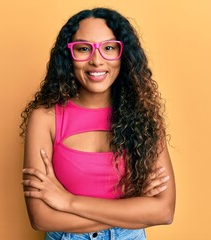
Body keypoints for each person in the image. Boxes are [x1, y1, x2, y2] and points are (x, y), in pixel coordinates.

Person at [20, 8, 176, 240]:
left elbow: (163, 211)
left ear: (123, 56)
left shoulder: (144, 118)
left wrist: (68, 201)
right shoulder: (45, 118)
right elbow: (41, 217)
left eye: (109, 48)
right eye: (83, 48)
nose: (96, 60)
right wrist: (134, 210)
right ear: (68, 56)